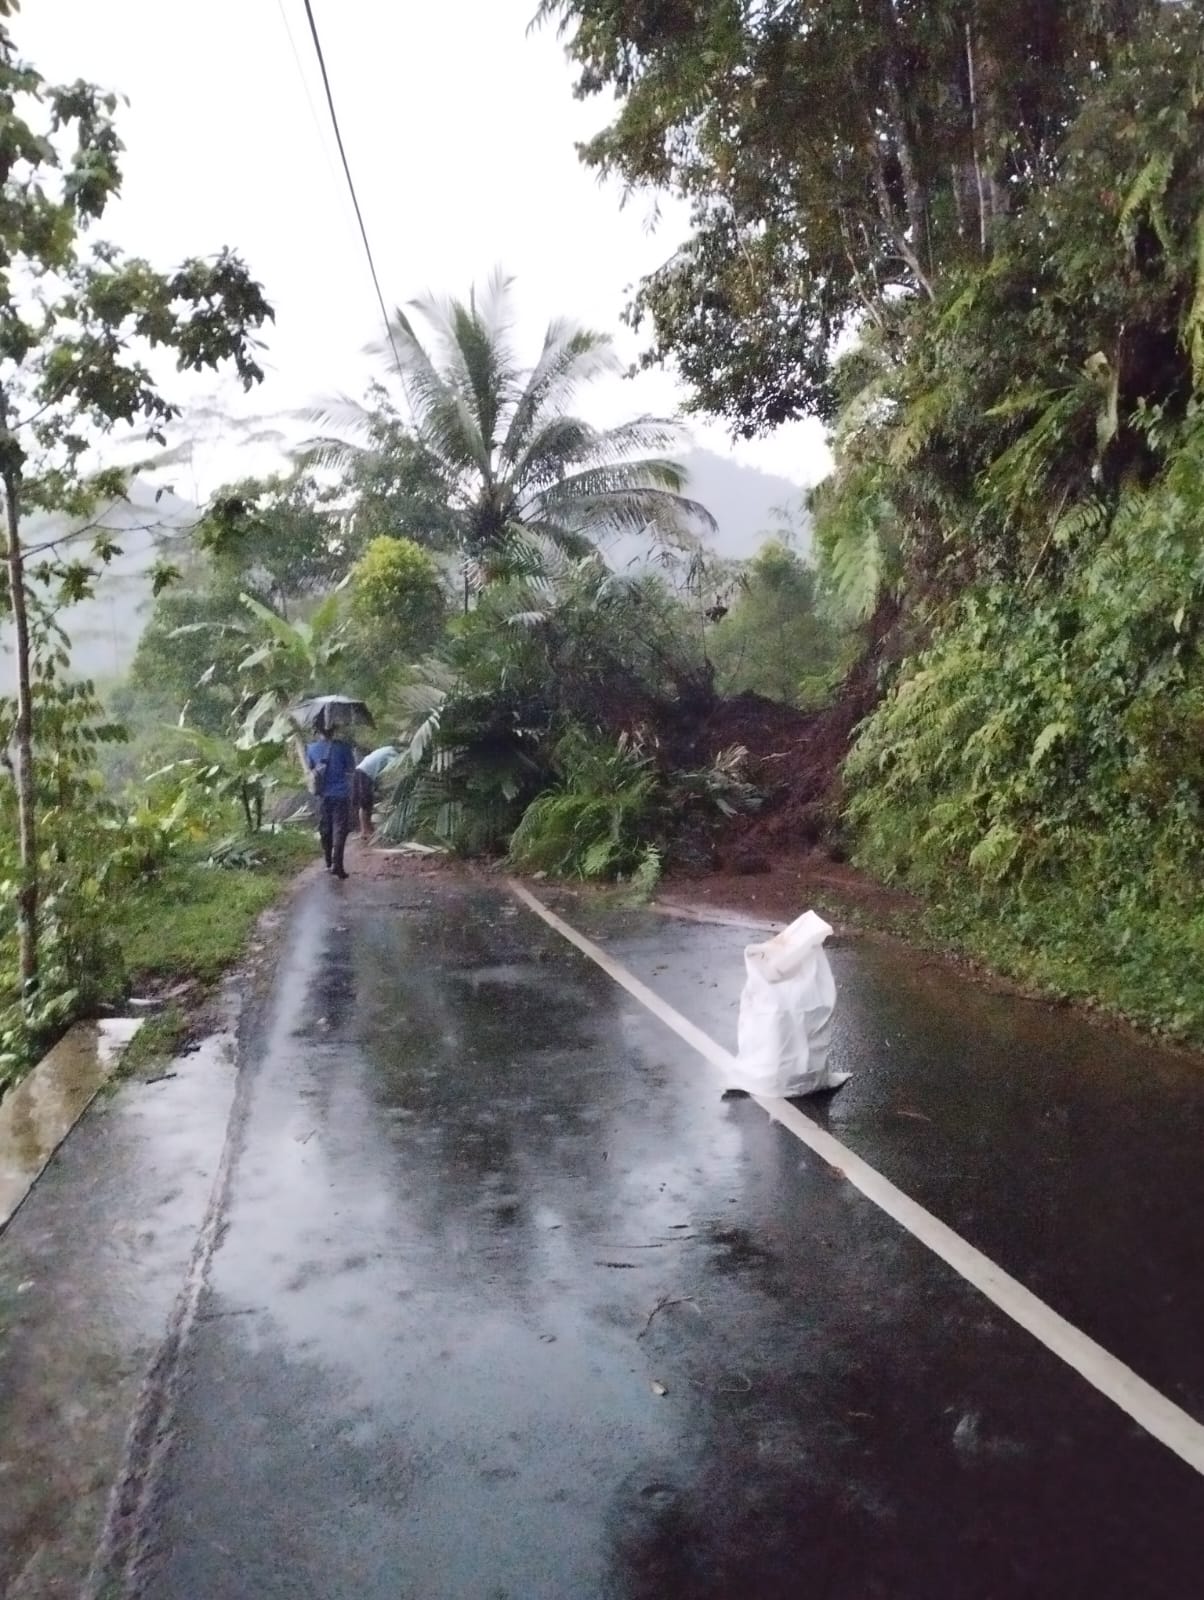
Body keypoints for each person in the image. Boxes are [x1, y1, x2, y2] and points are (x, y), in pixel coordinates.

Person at [305, 726, 357, 878]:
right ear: (333, 731)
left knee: (325, 828)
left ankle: (328, 861)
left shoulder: (311, 748)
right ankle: (338, 865)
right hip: (341, 794)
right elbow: (351, 768)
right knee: (340, 829)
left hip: (322, 796)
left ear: (318, 731)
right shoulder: (343, 747)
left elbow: (310, 771)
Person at [353, 744, 398, 842]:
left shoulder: (387, 749)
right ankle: (365, 831)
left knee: (367, 804)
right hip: (365, 773)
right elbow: (394, 768)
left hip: (362, 771)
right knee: (365, 804)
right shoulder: (393, 753)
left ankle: (368, 829)